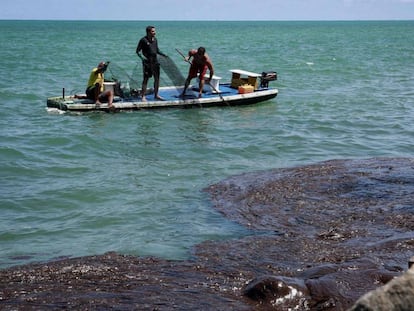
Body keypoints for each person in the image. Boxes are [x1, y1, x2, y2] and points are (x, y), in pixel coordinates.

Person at [136, 26, 167, 101]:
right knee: (146, 79)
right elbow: (137, 51)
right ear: (148, 32)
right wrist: (142, 58)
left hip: (155, 62)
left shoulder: (155, 40)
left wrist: (163, 55)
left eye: (154, 31)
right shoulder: (143, 40)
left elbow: (157, 50)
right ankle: (143, 96)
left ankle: (156, 95)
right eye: (153, 31)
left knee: (157, 79)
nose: (154, 33)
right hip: (147, 62)